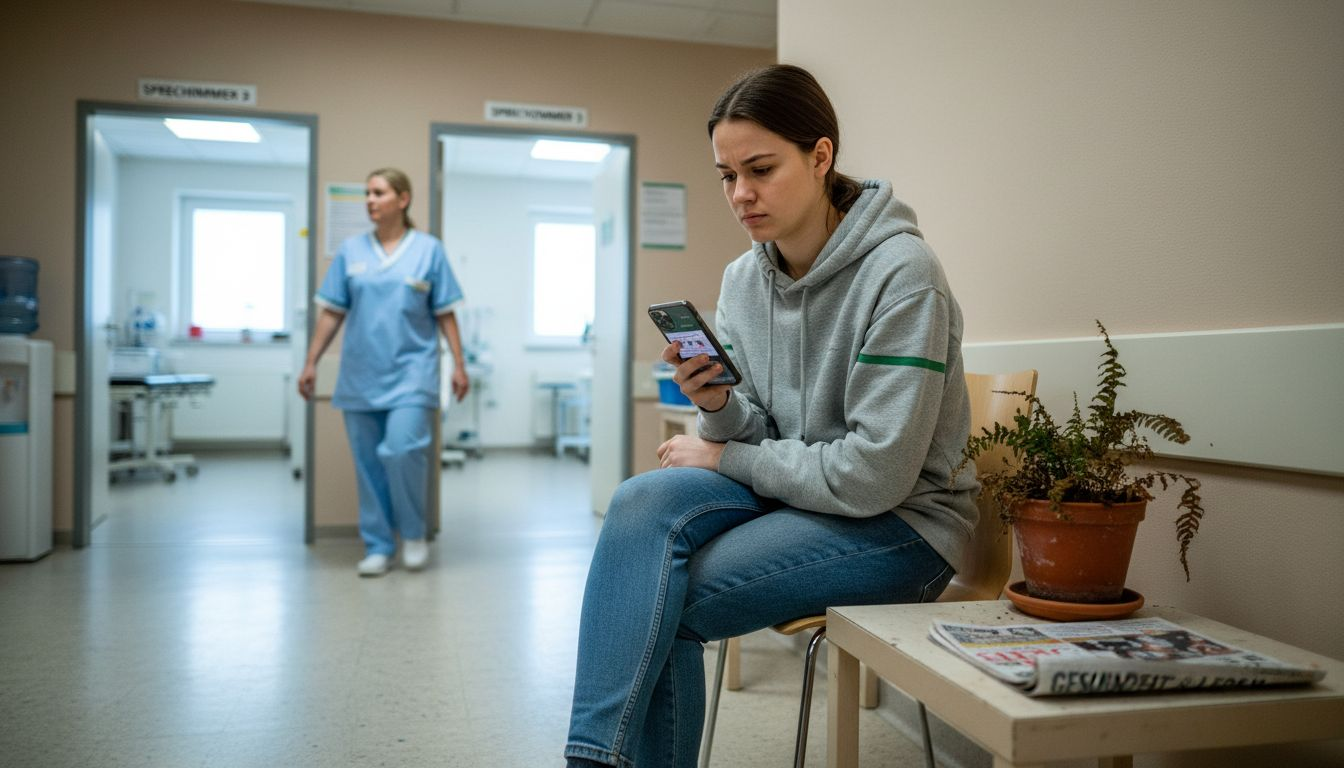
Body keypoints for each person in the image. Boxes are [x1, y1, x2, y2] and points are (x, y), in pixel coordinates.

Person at [564, 64, 978, 768]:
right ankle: (595, 758)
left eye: (760, 168)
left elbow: (874, 475)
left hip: (903, 526)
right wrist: (719, 407)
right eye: (726, 175)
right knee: (639, 503)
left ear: (821, 157)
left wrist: (725, 456)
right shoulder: (742, 279)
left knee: (665, 602)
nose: (741, 194)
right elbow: (763, 429)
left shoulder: (903, 274)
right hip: (797, 499)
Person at [298, 168, 469, 577]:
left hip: (413, 372)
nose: (370, 200)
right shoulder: (351, 251)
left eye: (378, 192)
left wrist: (459, 365)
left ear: (403, 199)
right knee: (369, 464)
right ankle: (377, 544)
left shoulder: (428, 250)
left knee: (404, 451)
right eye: (367, 193)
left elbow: (444, 313)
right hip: (361, 374)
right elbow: (332, 312)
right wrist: (311, 361)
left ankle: (412, 535)